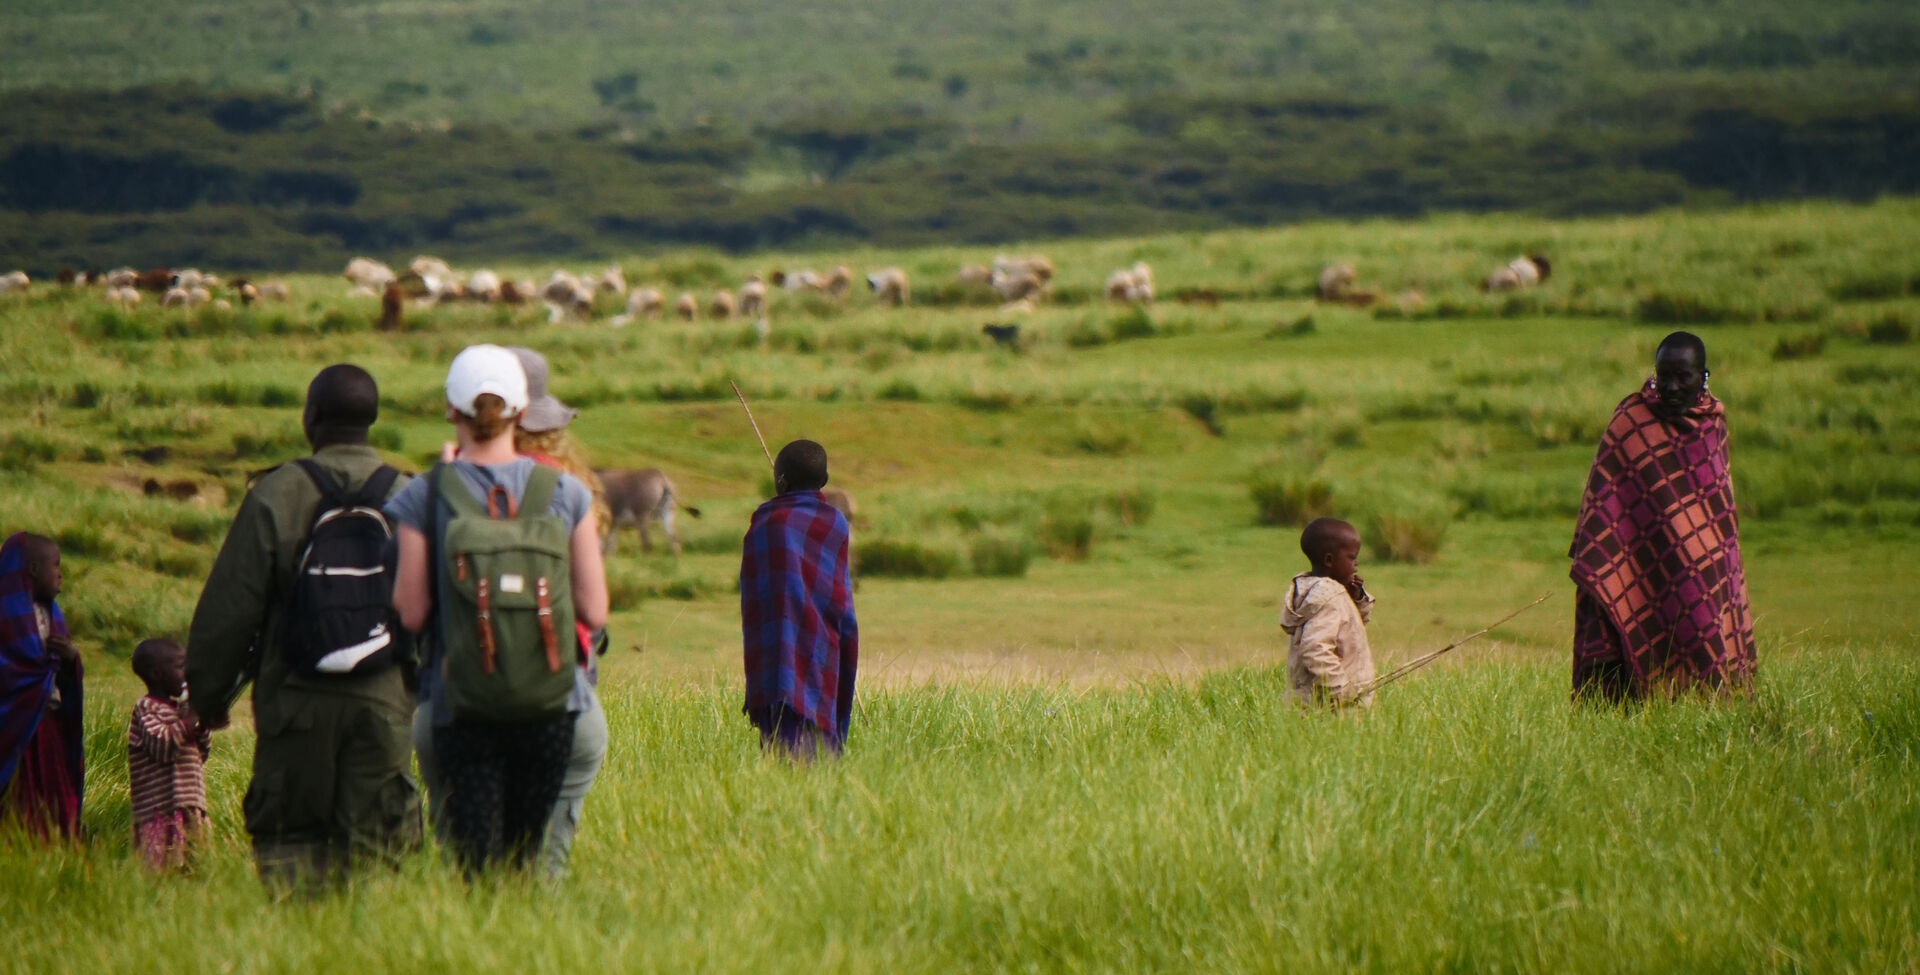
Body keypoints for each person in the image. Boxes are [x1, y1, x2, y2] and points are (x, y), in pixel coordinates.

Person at [186, 364, 421, 890]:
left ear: (310, 417)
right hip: (384, 703)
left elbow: (230, 612)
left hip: (294, 702)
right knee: (378, 859)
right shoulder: (411, 497)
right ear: (373, 420)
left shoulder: (274, 493)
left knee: (291, 849)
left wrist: (207, 699)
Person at [388, 344, 608, 874]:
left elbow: (410, 613)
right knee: (533, 864)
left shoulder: (425, 494)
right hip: (555, 705)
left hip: (460, 705)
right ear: (521, 408)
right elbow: (595, 611)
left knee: (475, 869)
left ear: (452, 410)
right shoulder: (568, 492)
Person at [1570, 331, 1755, 702]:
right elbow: (1605, 504)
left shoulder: (1712, 422)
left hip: (1703, 570)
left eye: (1682, 377)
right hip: (1641, 564)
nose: (1670, 387)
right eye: (1662, 376)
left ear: (1703, 376)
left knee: (1705, 654)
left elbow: (1719, 510)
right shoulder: (1631, 422)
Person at [740, 439, 858, 759]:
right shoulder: (836, 522)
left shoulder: (767, 522)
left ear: (780, 480)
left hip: (781, 656)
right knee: (822, 747)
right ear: (824, 482)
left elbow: (757, 595)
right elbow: (841, 596)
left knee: (785, 749)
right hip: (826, 649)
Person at [0, 533, 84, 839]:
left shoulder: (53, 615)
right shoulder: (5, 616)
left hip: (49, 731)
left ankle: (57, 862)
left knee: (53, 804)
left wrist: (71, 659)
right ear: (33, 569)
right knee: (18, 806)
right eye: (55, 565)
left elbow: (60, 675)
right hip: (16, 734)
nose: (61, 573)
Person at [127, 638, 211, 871]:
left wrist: (202, 723)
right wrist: (187, 724)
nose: (186, 673)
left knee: (196, 868)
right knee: (161, 869)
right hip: (160, 809)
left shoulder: (181, 709)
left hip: (190, 803)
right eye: (180, 667)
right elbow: (161, 745)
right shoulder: (146, 707)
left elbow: (202, 752)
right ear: (156, 674)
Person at [1279, 517, 1377, 708]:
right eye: (1351, 557)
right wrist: (1341, 689)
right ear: (1329, 560)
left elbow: (1345, 629)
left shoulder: (1312, 592)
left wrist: (1355, 600)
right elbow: (1315, 648)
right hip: (1330, 707)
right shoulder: (1330, 598)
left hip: (1309, 701)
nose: (1356, 563)